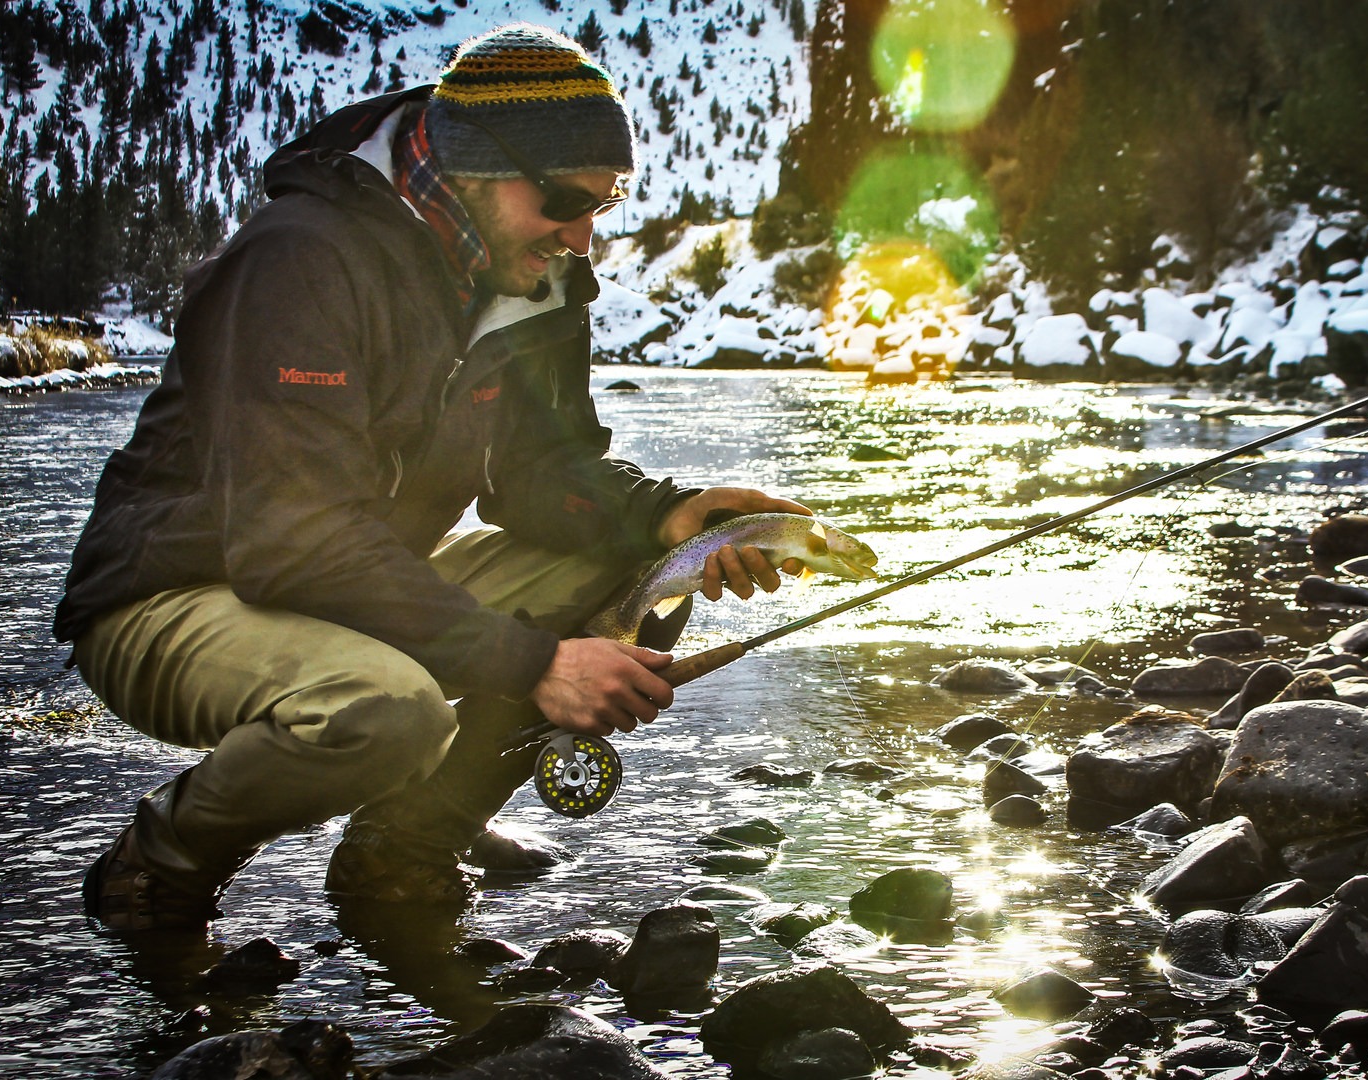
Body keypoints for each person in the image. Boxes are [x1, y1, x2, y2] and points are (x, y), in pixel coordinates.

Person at [56, 23, 808, 932]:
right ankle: (159, 867)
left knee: (638, 574)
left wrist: (670, 516)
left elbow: (537, 474)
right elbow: (291, 539)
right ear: (479, 168)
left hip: (347, 577)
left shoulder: (535, 275)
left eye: (601, 206)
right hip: (174, 593)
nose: (582, 237)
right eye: (566, 201)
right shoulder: (305, 257)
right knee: (389, 713)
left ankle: (407, 843)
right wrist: (534, 664)